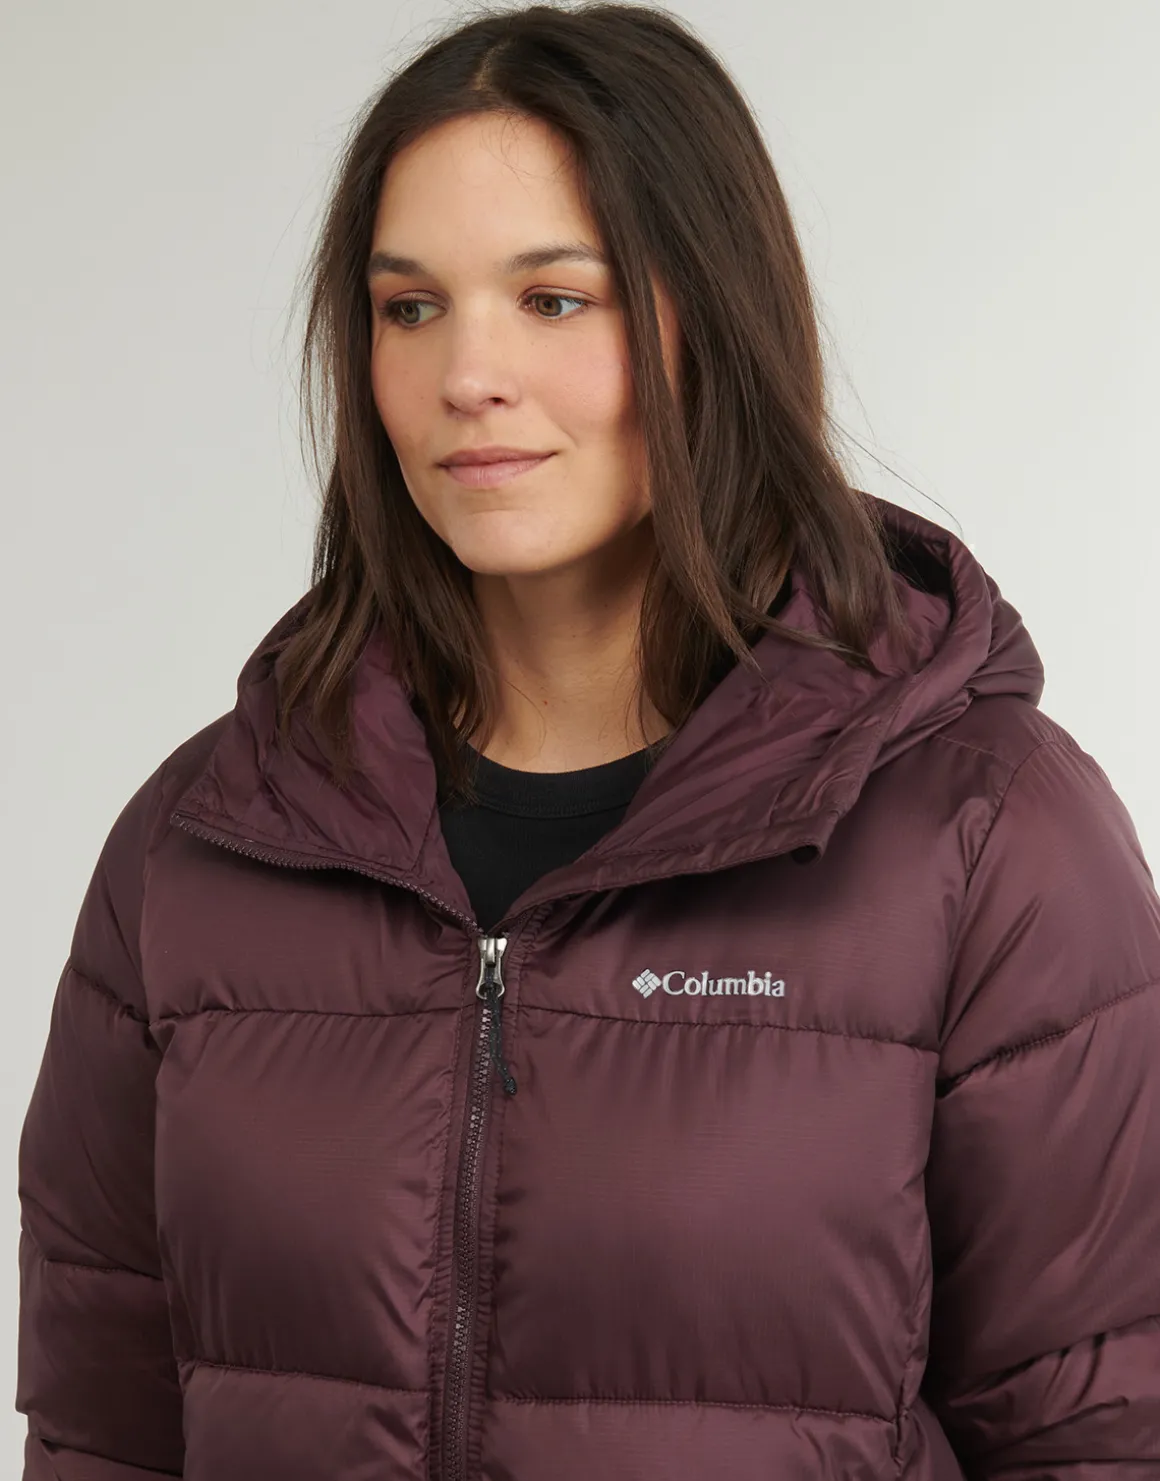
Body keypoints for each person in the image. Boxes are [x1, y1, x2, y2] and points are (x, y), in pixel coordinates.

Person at [15, 3, 1160, 1477]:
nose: (466, 374)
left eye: (555, 299)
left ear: (713, 322)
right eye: (409, 308)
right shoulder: (204, 844)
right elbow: (103, 1434)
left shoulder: (985, 840)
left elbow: (1102, 1437)